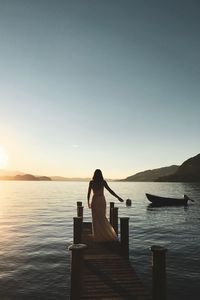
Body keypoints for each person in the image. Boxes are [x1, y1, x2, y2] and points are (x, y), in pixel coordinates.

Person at [87, 169, 124, 242]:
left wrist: (88, 202)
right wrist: (118, 197)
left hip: (95, 200)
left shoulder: (91, 182)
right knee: (103, 218)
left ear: (94, 174)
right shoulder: (103, 182)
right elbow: (111, 191)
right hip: (101, 200)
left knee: (96, 219)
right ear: (101, 174)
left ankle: (98, 237)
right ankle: (106, 235)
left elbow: (88, 194)